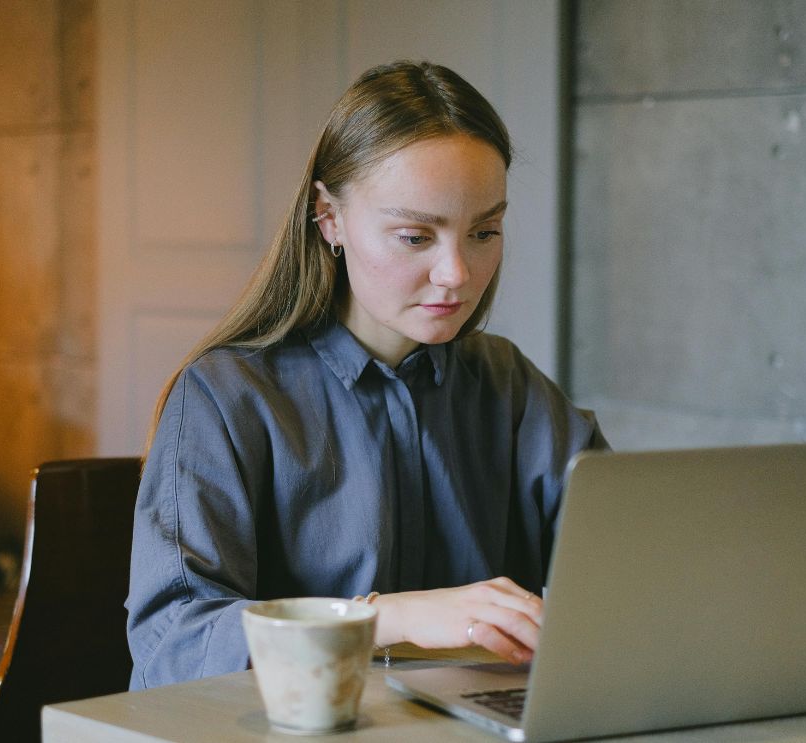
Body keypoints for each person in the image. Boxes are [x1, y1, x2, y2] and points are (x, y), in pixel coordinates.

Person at [126, 60, 607, 689]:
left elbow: (622, 559)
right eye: (415, 236)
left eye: (485, 230)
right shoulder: (227, 397)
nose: (457, 273)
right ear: (330, 218)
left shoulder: (506, 384)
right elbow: (174, 642)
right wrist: (387, 617)